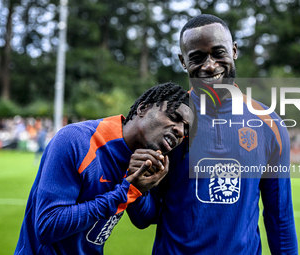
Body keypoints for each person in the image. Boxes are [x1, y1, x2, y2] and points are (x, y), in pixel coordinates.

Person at [127, 14, 298, 254]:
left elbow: (280, 218)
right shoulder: (167, 125)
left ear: (234, 50)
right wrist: (137, 189)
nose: (210, 65)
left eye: (218, 52)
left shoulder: (270, 125)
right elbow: (145, 217)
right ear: (183, 61)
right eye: (197, 57)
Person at [14, 82, 197, 255]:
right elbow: (48, 226)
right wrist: (125, 192)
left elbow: (143, 219)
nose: (180, 131)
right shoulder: (76, 141)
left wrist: (140, 191)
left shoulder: (146, 159)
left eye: (185, 129)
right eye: (174, 117)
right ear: (142, 108)